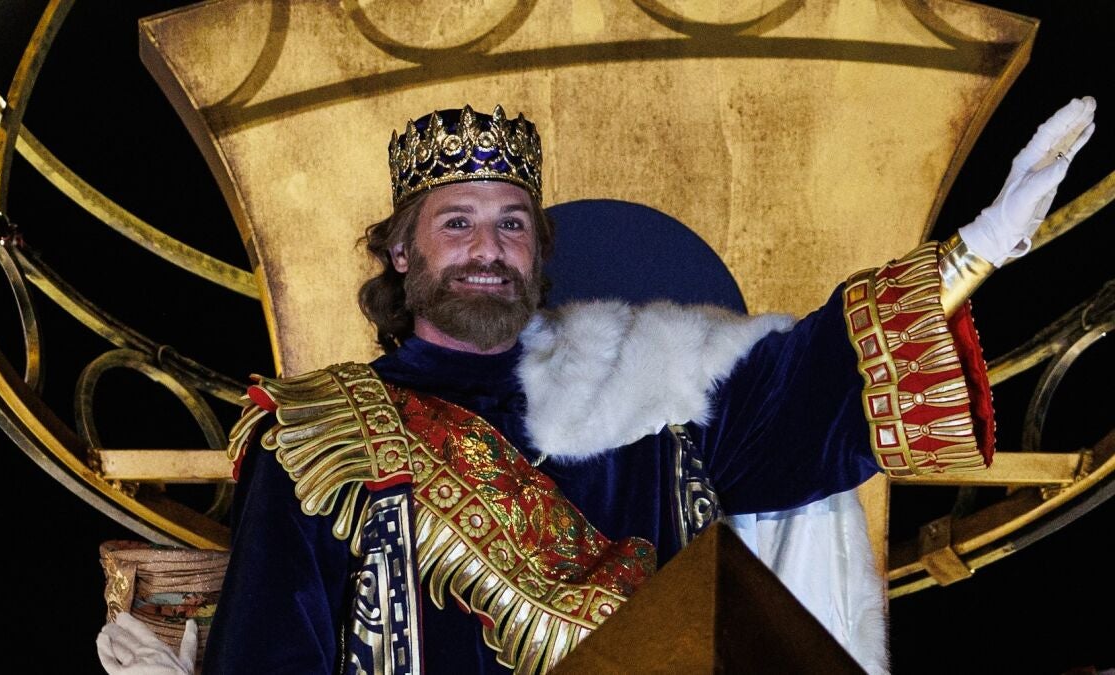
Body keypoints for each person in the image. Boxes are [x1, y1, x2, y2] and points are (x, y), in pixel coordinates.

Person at [98, 99, 1095, 675]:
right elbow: (274, 650)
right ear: (401, 252)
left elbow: (811, 388)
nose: (487, 248)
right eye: (457, 222)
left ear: (539, 250)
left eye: (511, 223)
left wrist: (979, 249)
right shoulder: (321, 432)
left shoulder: (647, 388)